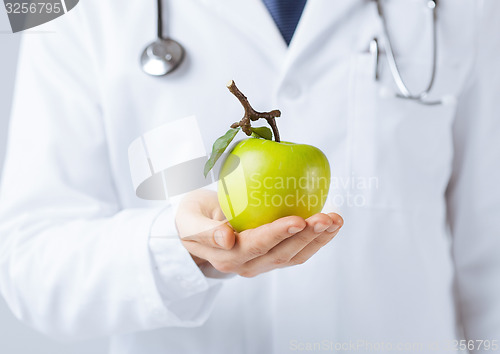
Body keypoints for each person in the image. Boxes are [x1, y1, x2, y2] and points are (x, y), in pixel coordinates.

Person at [0, 1, 499, 353]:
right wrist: (179, 250)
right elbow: (29, 261)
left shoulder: (469, 8)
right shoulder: (60, 7)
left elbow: (490, 260)